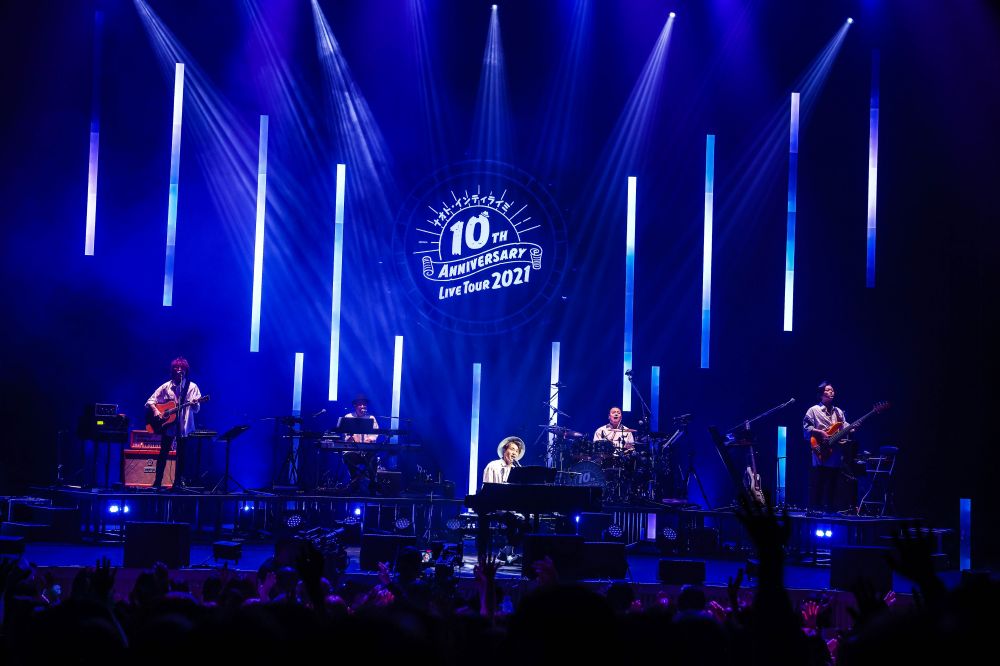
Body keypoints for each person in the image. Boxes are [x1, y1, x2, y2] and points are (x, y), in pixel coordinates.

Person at [146, 356, 202, 490]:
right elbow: (150, 401)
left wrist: (195, 403)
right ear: (172, 370)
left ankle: (177, 484)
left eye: (182, 367)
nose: (179, 370)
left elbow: (196, 409)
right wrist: (156, 410)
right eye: (176, 367)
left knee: (181, 456)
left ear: (186, 370)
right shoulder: (166, 386)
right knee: (163, 454)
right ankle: (157, 483)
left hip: (183, 426)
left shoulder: (192, 387)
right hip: (168, 427)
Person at [803, 381, 851, 513]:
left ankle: (831, 510)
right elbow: (806, 429)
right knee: (819, 481)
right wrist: (820, 432)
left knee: (834, 482)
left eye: (832, 390)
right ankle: (816, 508)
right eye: (828, 390)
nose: (831, 392)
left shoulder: (838, 411)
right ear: (820, 394)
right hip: (820, 450)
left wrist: (852, 428)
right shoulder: (813, 410)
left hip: (835, 452)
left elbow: (844, 426)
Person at [337, 394, 380, 492]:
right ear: (355, 406)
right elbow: (345, 435)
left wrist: (370, 439)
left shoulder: (371, 418)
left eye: (364, 404)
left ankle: (372, 483)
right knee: (348, 457)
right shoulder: (348, 417)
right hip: (353, 451)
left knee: (373, 458)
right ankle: (354, 481)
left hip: (367, 451)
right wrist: (351, 438)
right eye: (360, 404)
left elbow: (375, 433)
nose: (363, 406)